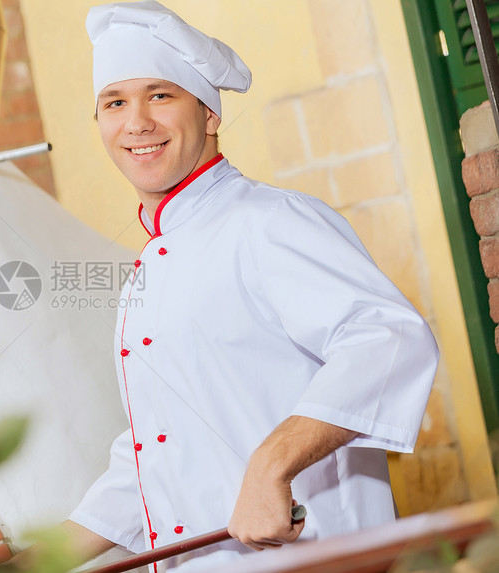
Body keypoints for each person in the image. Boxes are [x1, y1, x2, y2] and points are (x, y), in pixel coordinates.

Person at [54, 1, 439, 571]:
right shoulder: (151, 268)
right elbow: (160, 451)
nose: (136, 122)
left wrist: (272, 464)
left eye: (160, 95)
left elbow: (389, 339)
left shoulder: (270, 221)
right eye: (115, 102)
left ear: (210, 113)